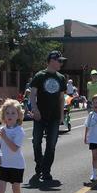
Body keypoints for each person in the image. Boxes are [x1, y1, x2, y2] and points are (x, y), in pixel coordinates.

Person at [30, 50, 67, 181]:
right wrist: (35, 110)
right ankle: (39, 165)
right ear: (52, 61)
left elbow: (62, 98)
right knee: (36, 142)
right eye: (59, 61)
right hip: (40, 116)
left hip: (54, 116)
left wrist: (62, 115)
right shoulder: (39, 76)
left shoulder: (61, 78)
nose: (61, 63)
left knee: (51, 144)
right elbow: (32, 95)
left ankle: (46, 170)